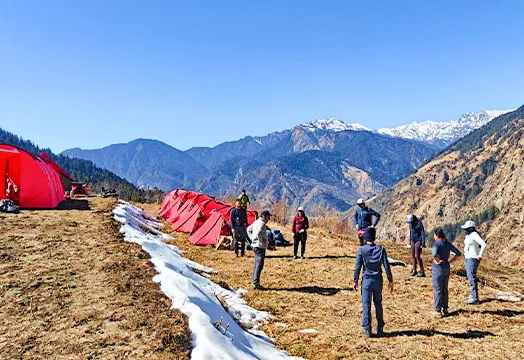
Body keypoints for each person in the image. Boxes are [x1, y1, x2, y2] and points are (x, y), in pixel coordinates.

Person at [353, 227, 394, 338]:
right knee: (378, 304)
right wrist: (390, 280)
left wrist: (355, 280)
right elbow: (386, 266)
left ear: (366, 238)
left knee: (366, 305)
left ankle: (367, 329)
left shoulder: (361, 250)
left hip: (366, 280)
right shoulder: (381, 249)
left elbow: (358, 266)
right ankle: (380, 327)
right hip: (378, 280)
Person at [431, 228, 462, 317]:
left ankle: (437, 310)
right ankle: (445, 309)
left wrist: (437, 260)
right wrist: (450, 261)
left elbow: (434, 254)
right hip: (446, 267)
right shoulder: (447, 244)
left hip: (438, 268)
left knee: (438, 289)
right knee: (444, 288)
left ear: (436, 235)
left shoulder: (436, 244)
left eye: (434, 235)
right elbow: (458, 254)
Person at [461, 220, 487, 305]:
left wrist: (480, 255)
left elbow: (483, 244)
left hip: (472, 258)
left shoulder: (474, 235)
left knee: (471, 277)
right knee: (470, 276)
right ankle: (472, 295)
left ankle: (475, 297)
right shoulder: (469, 235)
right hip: (468, 258)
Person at [248, 210, 271, 289]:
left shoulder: (256, 222)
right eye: (268, 217)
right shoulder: (262, 224)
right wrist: (261, 241)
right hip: (260, 246)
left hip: (255, 245)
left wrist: (252, 239)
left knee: (256, 264)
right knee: (259, 264)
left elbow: (248, 230)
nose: (269, 218)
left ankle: (254, 281)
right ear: (264, 216)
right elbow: (258, 233)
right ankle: (255, 283)